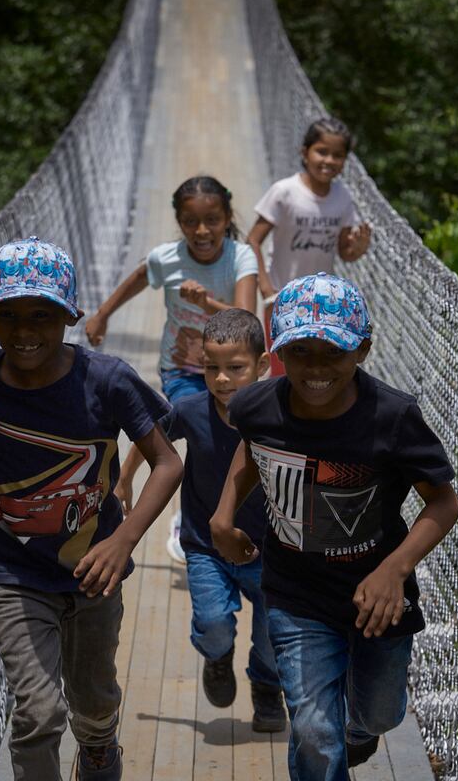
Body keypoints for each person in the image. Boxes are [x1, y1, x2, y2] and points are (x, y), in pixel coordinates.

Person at [0, 236, 184, 781]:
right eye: (9, 315)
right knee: (38, 712)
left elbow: (167, 463)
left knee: (92, 698)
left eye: (41, 316)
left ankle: (98, 744)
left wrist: (123, 541)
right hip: (14, 571)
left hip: (94, 570)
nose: (24, 330)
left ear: (71, 316)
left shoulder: (105, 381)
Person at [210, 272, 458, 781]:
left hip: (377, 596)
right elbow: (254, 450)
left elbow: (444, 502)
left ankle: (360, 731)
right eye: (300, 352)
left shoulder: (391, 417)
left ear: (362, 350)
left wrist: (395, 569)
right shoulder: (253, 406)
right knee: (312, 730)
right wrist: (222, 516)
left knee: (380, 713)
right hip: (294, 592)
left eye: (333, 353)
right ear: (278, 352)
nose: (316, 367)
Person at [114, 308, 285, 732]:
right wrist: (124, 480)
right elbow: (150, 436)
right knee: (213, 624)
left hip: (270, 550)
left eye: (235, 368)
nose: (222, 379)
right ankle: (217, 656)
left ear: (262, 365)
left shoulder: (280, 413)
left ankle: (266, 686)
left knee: (272, 636)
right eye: (212, 368)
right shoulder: (191, 410)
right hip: (206, 546)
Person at [85, 175, 258, 563]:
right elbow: (138, 277)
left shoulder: (240, 257)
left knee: (226, 437)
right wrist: (102, 314)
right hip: (182, 368)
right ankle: (178, 509)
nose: (202, 231)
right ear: (179, 222)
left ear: (227, 218)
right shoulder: (167, 258)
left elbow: (247, 317)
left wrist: (206, 303)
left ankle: (211, 510)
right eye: (190, 222)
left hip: (233, 368)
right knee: (190, 422)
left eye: (212, 220)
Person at [247, 117, 373, 376]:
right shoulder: (285, 192)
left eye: (337, 155)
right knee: (283, 369)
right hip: (282, 298)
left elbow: (344, 252)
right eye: (322, 151)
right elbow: (253, 239)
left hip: (323, 303)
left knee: (314, 368)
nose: (329, 160)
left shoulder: (342, 197)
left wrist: (357, 249)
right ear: (305, 153)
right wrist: (265, 287)